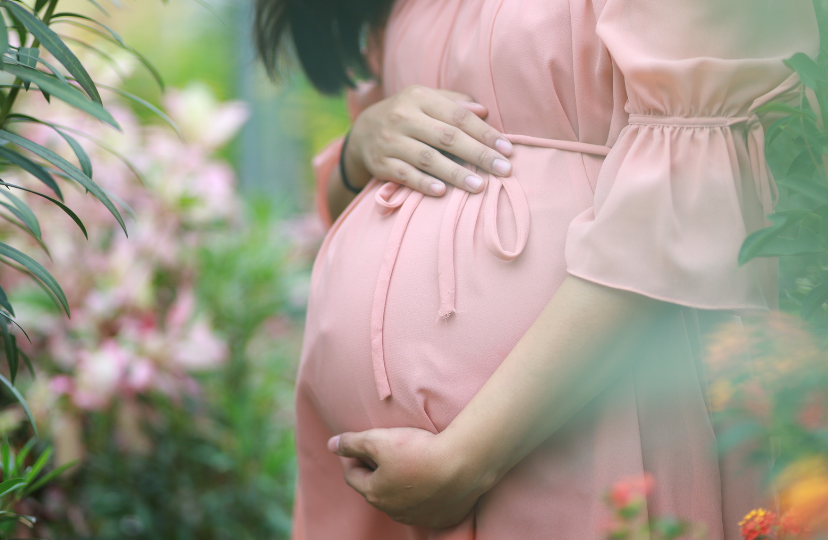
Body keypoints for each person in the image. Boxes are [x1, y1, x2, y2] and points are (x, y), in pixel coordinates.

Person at [254, 1, 819, 538]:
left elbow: (694, 207)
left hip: (591, 419)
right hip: (389, 495)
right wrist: (360, 145)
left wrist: (465, 460)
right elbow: (348, 202)